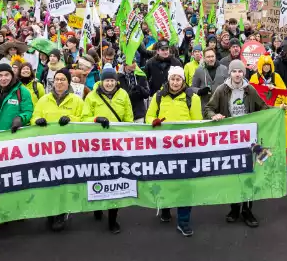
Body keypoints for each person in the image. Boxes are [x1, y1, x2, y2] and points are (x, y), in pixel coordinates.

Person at [205, 59, 271, 228]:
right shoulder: (222, 90)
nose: (237, 74)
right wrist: (214, 115)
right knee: (233, 175)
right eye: (234, 71)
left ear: (244, 73)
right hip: (230, 140)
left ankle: (247, 211)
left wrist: (277, 111)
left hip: (249, 141)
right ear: (230, 73)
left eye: (240, 71)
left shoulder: (250, 90)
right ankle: (234, 209)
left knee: (249, 175)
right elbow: (208, 108)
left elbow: (263, 107)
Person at [146, 66, 203, 236]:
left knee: (185, 184)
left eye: (179, 79)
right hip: (163, 147)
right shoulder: (158, 96)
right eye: (173, 79)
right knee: (164, 179)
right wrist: (153, 121)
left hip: (185, 148)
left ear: (183, 80)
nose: (176, 82)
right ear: (168, 80)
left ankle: (183, 221)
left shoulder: (192, 97)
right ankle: (165, 207)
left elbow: (197, 122)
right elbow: (149, 116)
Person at [31, 68, 84, 231]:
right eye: (57, 79)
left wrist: (71, 119)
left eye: (63, 79)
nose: (59, 82)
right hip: (47, 148)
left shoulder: (76, 101)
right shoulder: (44, 100)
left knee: (63, 180)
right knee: (49, 180)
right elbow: (34, 117)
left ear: (68, 82)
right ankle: (50, 211)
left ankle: (61, 213)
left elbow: (84, 120)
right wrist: (37, 121)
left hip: (68, 148)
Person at [81, 67, 132, 233]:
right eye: (106, 80)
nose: (109, 83)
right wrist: (96, 119)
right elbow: (84, 118)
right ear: (101, 81)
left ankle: (112, 219)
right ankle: (97, 206)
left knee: (115, 180)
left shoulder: (123, 95)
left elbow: (128, 119)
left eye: (112, 80)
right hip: (96, 145)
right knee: (98, 177)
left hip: (117, 145)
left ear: (116, 81)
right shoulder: (92, 96)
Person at [0, 63, 34, 133]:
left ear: (12, 75)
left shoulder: (22, 91)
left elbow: (28, 111)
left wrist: (20, 118)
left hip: (13, 136)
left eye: (7, 75)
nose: (3, 78)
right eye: (0, 75)